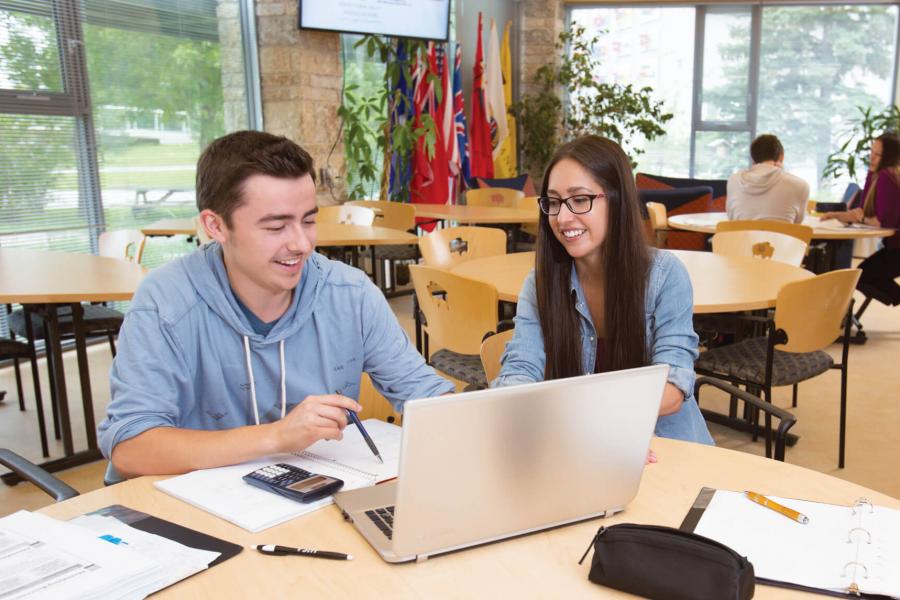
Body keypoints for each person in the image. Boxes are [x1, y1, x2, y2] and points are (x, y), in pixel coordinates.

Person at [98, 131, 454, 478]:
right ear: (216, 226)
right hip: (204, 511)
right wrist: (277, 436)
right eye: (275, 227)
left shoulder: (351, 293)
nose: (301, 244)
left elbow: (426, 396)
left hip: (314, 499)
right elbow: (130, 447)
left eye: (309, 221)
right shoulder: (165, 302)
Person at [493, 135, 713, 445]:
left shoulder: (665, 275)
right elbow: (522, 365)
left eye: (580, 199)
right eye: (553, 202)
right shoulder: (540, 283)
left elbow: (673, 385)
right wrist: (504, 403)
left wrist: (586, 418)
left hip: (664, 445)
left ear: (617, 199)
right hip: (584, 448)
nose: (562, 217)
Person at [821, 132, 900, 305]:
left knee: (863, 275)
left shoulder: (888, 176)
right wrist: (835, 215)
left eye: (878, 154)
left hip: (897, 249)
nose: (872, 157)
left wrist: (862, 218)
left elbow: (882, 222)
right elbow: (861, 212)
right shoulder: (874, 175)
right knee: (863, 275)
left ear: (889, 158)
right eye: (872, 152)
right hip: (893, 247)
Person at [726, 134, 809, 224]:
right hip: (781, 238)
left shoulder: (733, 181)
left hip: (740, 237)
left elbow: (732, 218)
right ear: (781, 156)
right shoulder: (800, 185)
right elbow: (796, 225)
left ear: (753, 159)